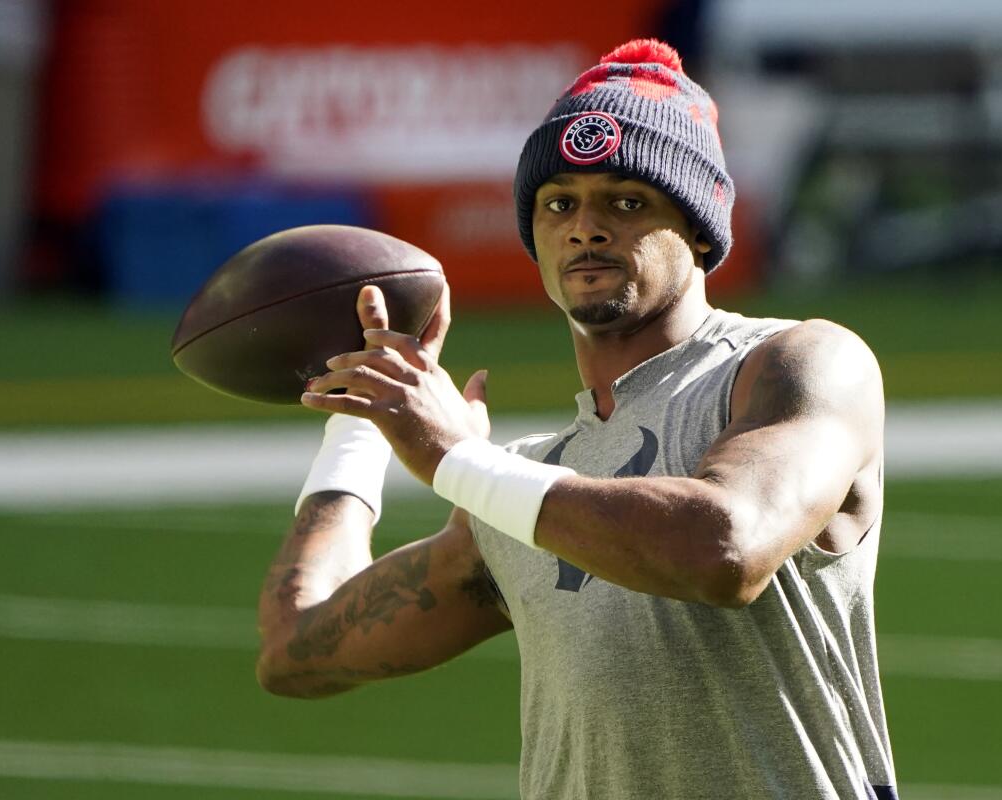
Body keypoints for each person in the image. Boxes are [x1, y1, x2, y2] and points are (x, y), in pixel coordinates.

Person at [256, 39, 898, 800]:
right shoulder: (513, 491)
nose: (586, 227)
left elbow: (727, 546)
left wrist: (459, 459)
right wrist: (366, 417)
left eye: (627, 201)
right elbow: (298, 650)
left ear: (697, 226)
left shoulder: (799, 361)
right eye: (559, 203)